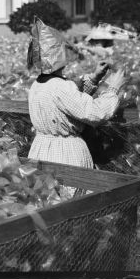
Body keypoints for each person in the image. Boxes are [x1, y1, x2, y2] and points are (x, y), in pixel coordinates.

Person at [26, 18, 126, 170]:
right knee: (72, 192)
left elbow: (67, 104)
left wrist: (94, 78)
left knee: (46, 191)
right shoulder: (60, 87)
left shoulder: (38, 85)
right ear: (57, 55)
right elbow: (95, 113)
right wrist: (113, 88)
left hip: (41, 152)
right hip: (66, 156)